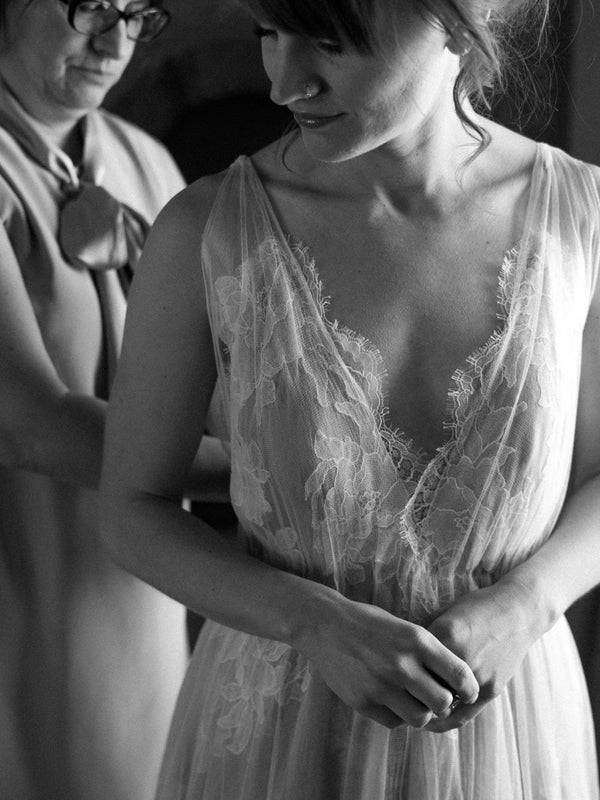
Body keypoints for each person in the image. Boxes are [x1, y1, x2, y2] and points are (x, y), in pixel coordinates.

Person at [100, 0, 600, 797]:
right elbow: (132, 509)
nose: (283, 84)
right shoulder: (206, 231)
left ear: (456, 20)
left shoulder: (583, 219)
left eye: (330, 43)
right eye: (269, 35)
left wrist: (529, 603)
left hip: (510, 732)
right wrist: (311, 620)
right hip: (276, 739)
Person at [0, 1, 228, 798]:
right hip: (23, 582)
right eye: (92, 5)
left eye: (138, 14)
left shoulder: (148, 161)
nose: (114, 41)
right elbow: (28, 424)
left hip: (140, 593)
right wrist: (265, 474)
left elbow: (216, 379)